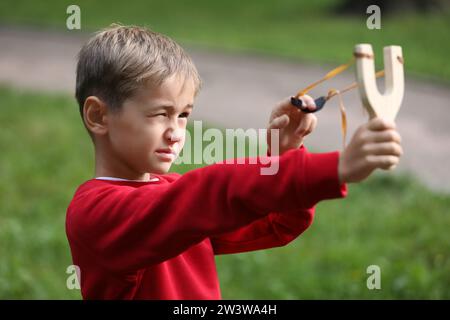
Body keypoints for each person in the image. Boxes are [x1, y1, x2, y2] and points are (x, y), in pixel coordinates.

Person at [66, 25, 403, 299]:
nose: (175, 132)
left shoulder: (170, 192)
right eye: (160, 114)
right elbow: (208, 192)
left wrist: (285, 152)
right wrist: (335, 167)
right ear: (99, 116)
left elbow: (277, 222)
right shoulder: (96, 215)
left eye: (183, 115)